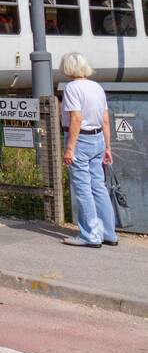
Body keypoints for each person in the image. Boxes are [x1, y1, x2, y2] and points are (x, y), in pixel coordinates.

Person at [59, 52, 118, 248]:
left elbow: (76, 119)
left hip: (80, 140)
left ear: (67, 68)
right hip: (99, 138)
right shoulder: (97, 87)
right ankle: (109, 233)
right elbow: (106, 120)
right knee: (99, 187)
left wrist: (69, 148)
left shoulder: (71, 88)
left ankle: (91, 235)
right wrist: (108, 147)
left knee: (83, 189)